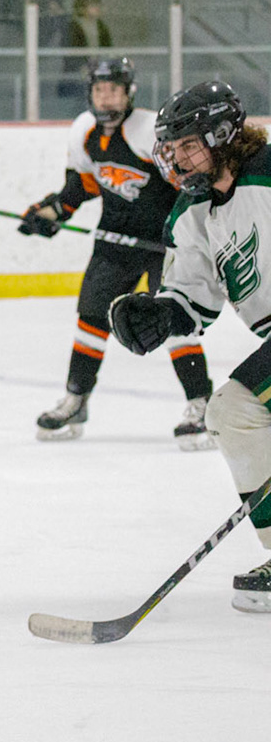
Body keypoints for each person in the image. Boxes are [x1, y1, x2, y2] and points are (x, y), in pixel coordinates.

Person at [101, 80, 271, 605]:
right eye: (171, 149)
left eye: (189, 146)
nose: (177, 159)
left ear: (223, 137)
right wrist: (159, 314)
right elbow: (193, 300)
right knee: (233, 413)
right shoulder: (191, 213)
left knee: (237, 409)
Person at [17, 58, 212, 446]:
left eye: (114, 90)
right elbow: (82, 186)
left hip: (163, 243)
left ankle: (200, 404)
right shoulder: (84, 131)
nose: (106, 97)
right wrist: (51, 212)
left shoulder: (149, 131)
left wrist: (188, 235)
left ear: (129, 92)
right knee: (91, 317)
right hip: (114, 239)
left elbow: (188, 185)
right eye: (99, 90)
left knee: (174, 320)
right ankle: (76, 399)